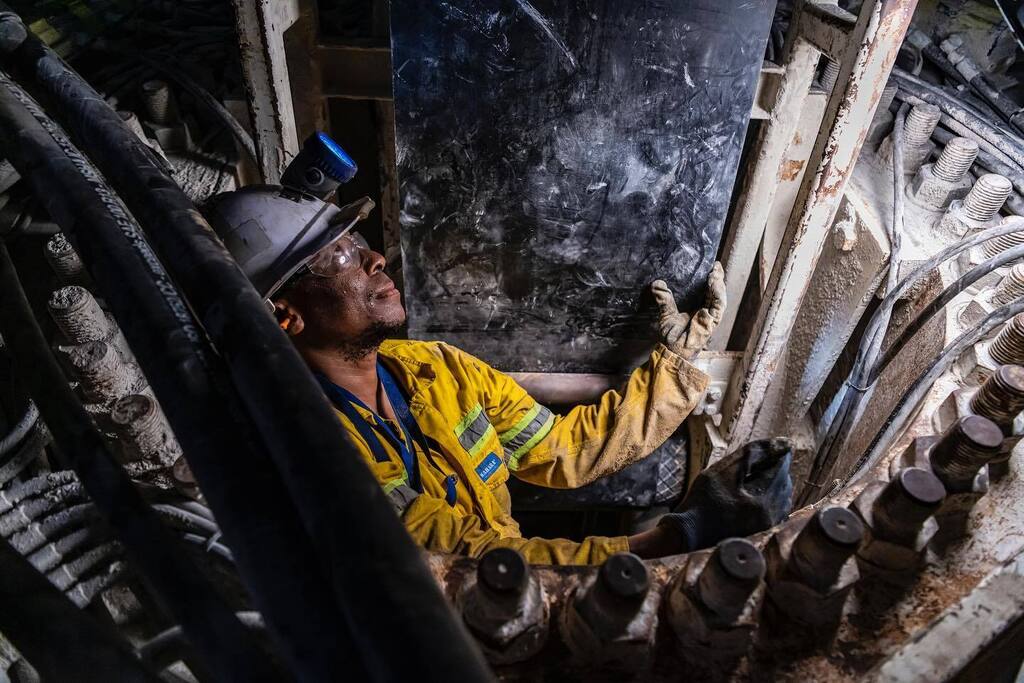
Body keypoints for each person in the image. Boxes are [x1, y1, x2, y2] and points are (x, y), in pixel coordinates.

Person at [203, 186, 792, 565]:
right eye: (337, 257)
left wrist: (678, 364)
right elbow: (478, 561)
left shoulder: (437, 370)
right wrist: (671, 539)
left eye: (357, 242)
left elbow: (563, 450)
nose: (373, 259)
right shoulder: (307, 445)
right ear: (285, 316)